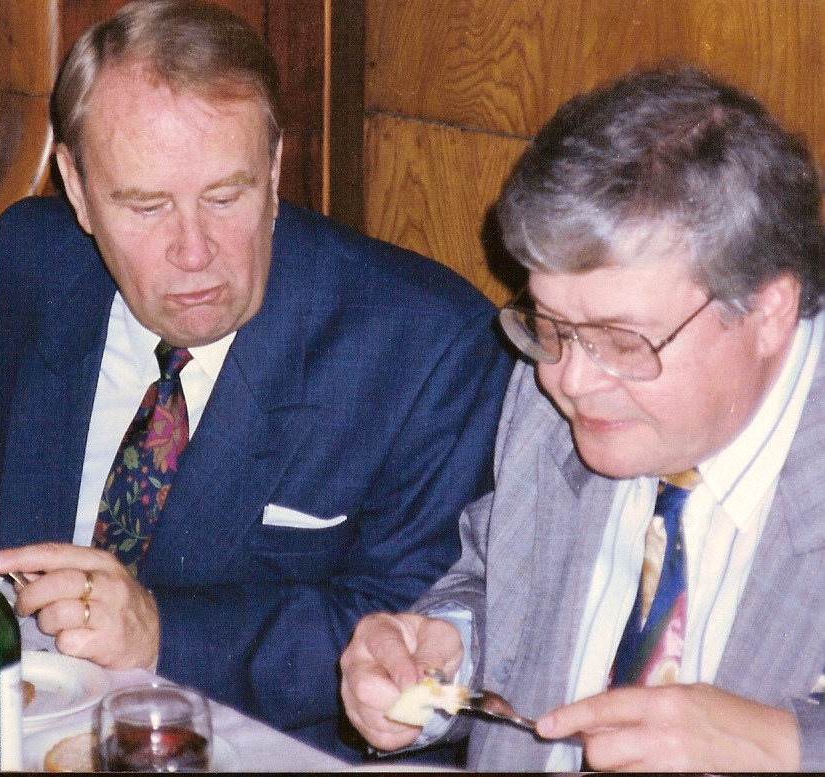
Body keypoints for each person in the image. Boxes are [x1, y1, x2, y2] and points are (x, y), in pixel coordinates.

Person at [0, 0, 512, 756]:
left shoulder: (424, 343)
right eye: (145, 206)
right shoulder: (30, 263)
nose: (194, 252)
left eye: (226, 196)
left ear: (274, 168)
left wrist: (161, 633)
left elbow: (411, 637)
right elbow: (16, 466)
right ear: (76, 187)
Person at [340, 63, 825, 771]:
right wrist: (444, 650)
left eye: (622, 342)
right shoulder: (552, 392)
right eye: (548, 325)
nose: (568, 380)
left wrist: (785, 744)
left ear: (767, 310)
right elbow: (498, 578)